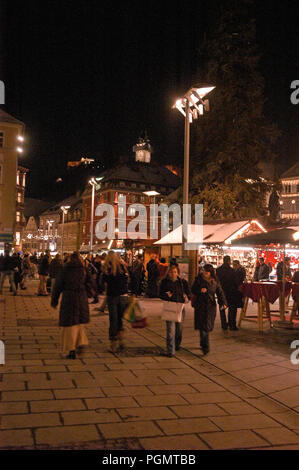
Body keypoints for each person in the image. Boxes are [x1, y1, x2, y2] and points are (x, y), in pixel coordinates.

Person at [51, 252, 94, 359]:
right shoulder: (84, 269)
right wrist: (92, 295)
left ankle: (71, 350)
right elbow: (91, 283)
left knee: (69, 326)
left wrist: (54, 300)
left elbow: (58, 286)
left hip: (69, 297)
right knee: (79, 323)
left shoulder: (65, 269)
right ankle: (81, 342)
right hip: (81, 297)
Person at [191, 264, 227, 355]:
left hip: (210, 306)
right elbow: (192, 289)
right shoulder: (198, 279)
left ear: (210, 273)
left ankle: (203, 343)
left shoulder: (215, 281)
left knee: (207, 326)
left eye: (206, 272)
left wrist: (223, 302)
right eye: (203, 271)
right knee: (203, 327)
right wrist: (200, 290)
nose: (204, 273)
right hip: (200, 305)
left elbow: (220, 292)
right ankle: (205, 346)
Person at [159, 265, 190, 357]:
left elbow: (188, 293)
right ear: (168, 273)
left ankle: (176, 345)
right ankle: (170, 350)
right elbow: (160, 294)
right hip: (170, 308)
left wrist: (186, 296)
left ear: (178, 273)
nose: (173, 274)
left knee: (179, 329)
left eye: (175, 272)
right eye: (171, 272)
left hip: (180, 307)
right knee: (170, 330)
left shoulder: (182, 282)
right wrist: (166, 295)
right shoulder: (164, 282)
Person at [102, 251, 130, 353]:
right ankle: (121, 340)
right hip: (123, 296)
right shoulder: (122, 267)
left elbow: (103, 282)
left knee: (113, 320)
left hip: (112, 296)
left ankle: (113, 344)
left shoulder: (108, 269)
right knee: (119, 319)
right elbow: (127, 279)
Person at [216, 256, 242, 331]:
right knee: (232, 308)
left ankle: (224, 325)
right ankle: (232, 325)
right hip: (231, 292)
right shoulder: (232, 271)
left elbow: (217, 281)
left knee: (222, 308)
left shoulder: (218, 270)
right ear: (228, 261)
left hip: (221, 292)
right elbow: (236, 282)